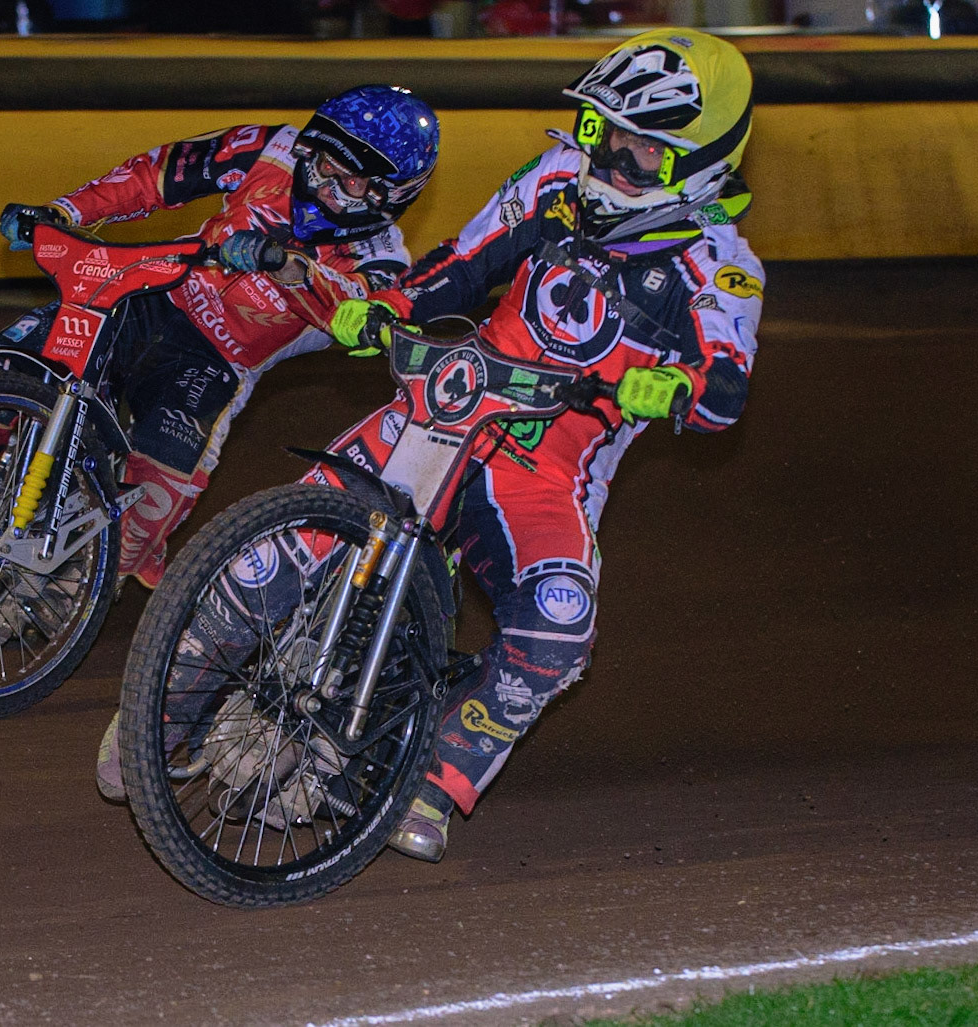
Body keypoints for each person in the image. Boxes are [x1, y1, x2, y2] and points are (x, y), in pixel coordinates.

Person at [320, 28, 763, 860]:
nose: (614, 162)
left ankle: (438, 781)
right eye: (606, 134)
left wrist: (679, 388)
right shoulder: (557, 178)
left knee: (561, 624)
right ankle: (178, 684)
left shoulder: (721, 266)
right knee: (307, 520)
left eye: (644, 154)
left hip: (546, 469)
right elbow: (462, 262)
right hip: (448, 405)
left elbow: (727, 387)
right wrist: (389, 307)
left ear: (699, 166)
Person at [0, 85, 439, 593]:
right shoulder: (274, 147)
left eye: (350, 181)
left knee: (145, 516)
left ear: (392, 194)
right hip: (142, 295)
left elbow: (359, 315)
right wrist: (64, 213)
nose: (321, 185)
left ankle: (72, 584)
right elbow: (158, 173)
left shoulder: (385, 259)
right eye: (321, 163)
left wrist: (294, 269)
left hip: (214, 364)